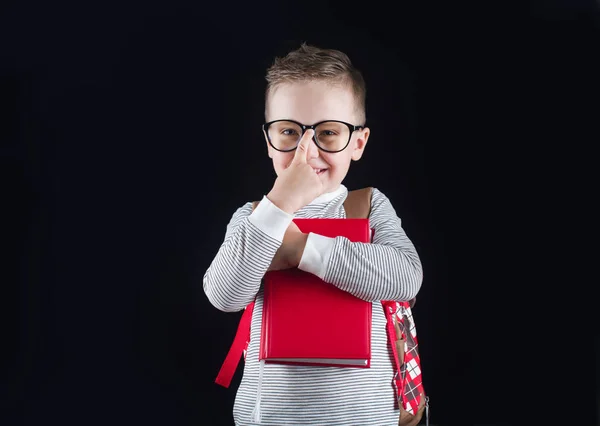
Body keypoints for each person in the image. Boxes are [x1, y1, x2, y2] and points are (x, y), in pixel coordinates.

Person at [203, 43, 423, 425]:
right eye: (289, 131)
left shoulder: (369, 206)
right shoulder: (253, 218)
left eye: (328, 132)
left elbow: (406, 278)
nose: (307, 152)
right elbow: (223, 294)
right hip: (271, 418)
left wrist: (301, 250)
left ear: (357, 143)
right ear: (268, 139)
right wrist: (280, 204)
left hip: (365, 418)